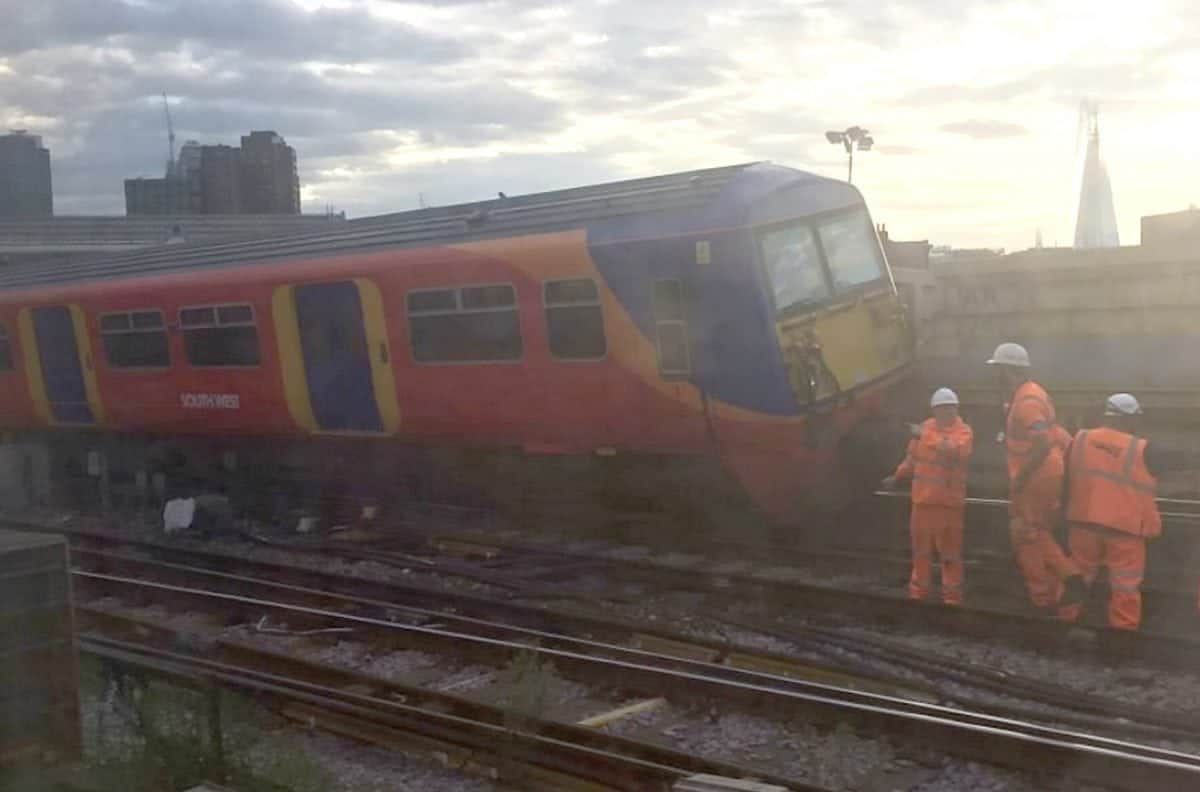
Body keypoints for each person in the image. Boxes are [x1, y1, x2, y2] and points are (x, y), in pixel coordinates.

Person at [1059, 394, 1178, 630]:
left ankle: (1064, 624)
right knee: (1125, 585)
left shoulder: (1079, 439)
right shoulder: (1143, 448)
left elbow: (1064, 479)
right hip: (1125, 529)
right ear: (1129, 419)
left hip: (1084, 523)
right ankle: (1122, 634)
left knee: (1077, 577)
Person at [986, 342, 1085, 614]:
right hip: (1046, 473)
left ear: (1010, 371)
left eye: (998, 370)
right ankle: (1055, 595)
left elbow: (1040, 442)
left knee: (1026, 533)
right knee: (1038, 532)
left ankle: (1066, 579)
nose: (994, 376)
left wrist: (1020, 479)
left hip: (1035, 477)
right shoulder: (1033, 393)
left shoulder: (1026, 401)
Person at [883, 387, 974, 605]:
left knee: (950, 556)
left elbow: (953, 450)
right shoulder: (924, 430)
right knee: (921, 553)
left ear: (956, 409)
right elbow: (912, 461)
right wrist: (896, 477)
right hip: (923, 503)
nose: (947, 412)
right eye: (942, 408)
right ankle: (918, 596)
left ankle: (951, 599)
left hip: (948, 506)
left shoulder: (963, 432)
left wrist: (925, 435)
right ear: (934, 410)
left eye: (950, 408)